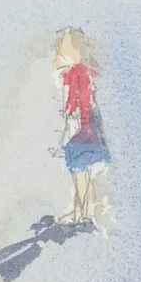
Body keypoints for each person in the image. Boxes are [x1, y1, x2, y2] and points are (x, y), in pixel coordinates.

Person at [52, 28, 112, 229]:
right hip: (90, 126)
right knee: (83, 171)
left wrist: (71, 113)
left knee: (78, 169)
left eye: (59, 52)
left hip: (84, 127)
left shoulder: (76, 73)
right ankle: (84, 212)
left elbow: (78, 102)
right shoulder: (83, 73)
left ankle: (81, 214)